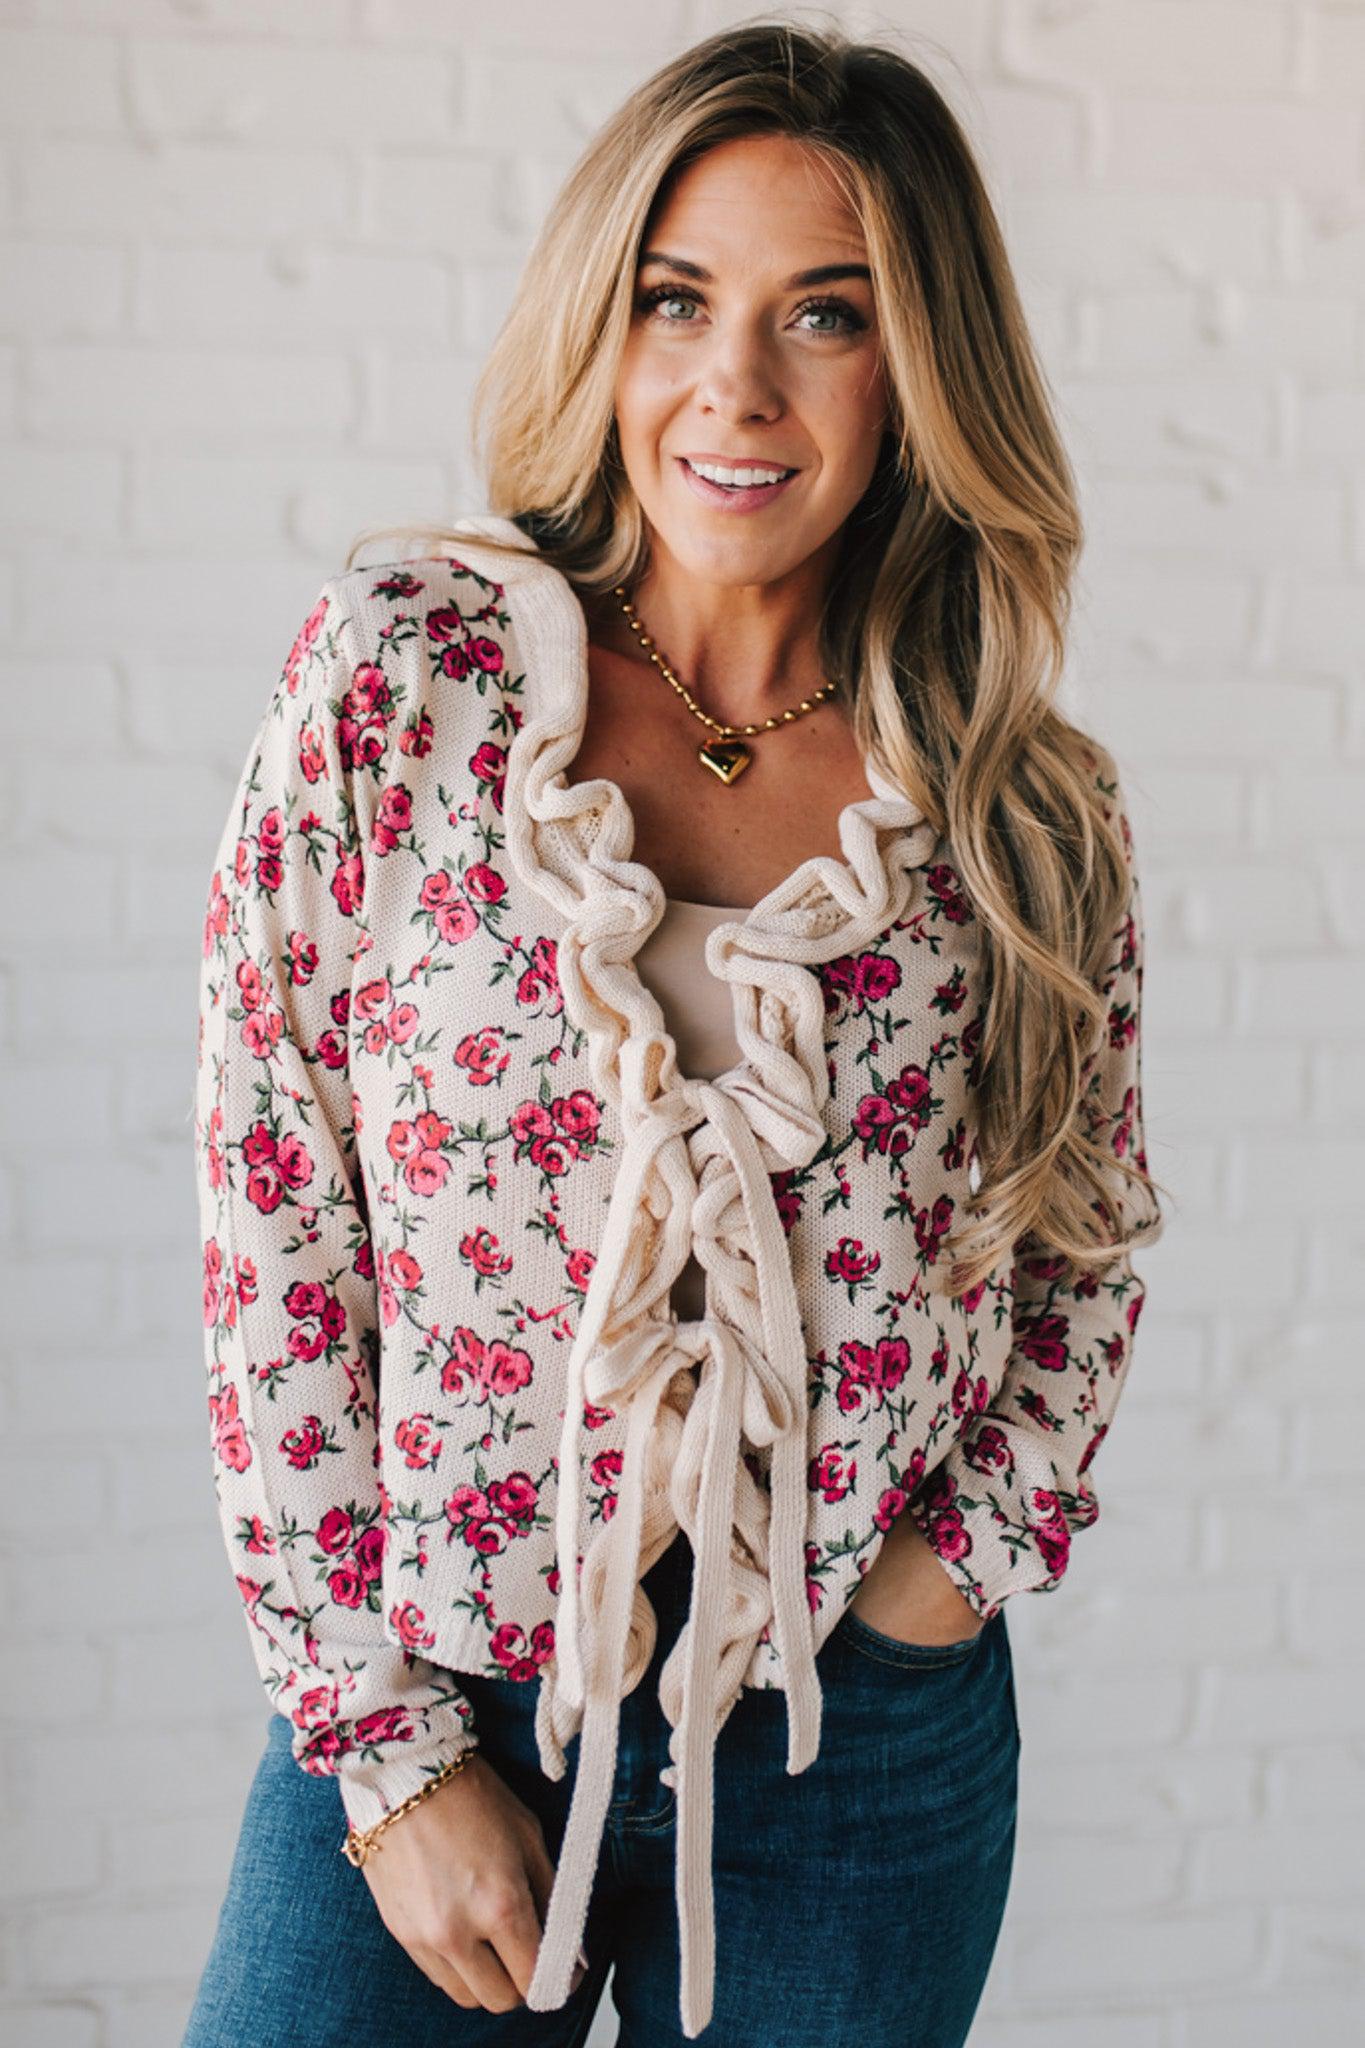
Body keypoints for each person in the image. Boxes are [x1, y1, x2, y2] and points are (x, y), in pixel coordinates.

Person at [183, 19, 1167, 2048]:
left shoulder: (1009, 794)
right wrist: (382, 1746)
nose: (735, 386)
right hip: (439, 1712)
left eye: (828, 316)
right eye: (675, 301)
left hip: (851, 1759)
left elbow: (1079, 1235)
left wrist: (942, 1580)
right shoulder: (407, 678)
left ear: (919, 373)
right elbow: (270, 1206)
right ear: (602, 327)